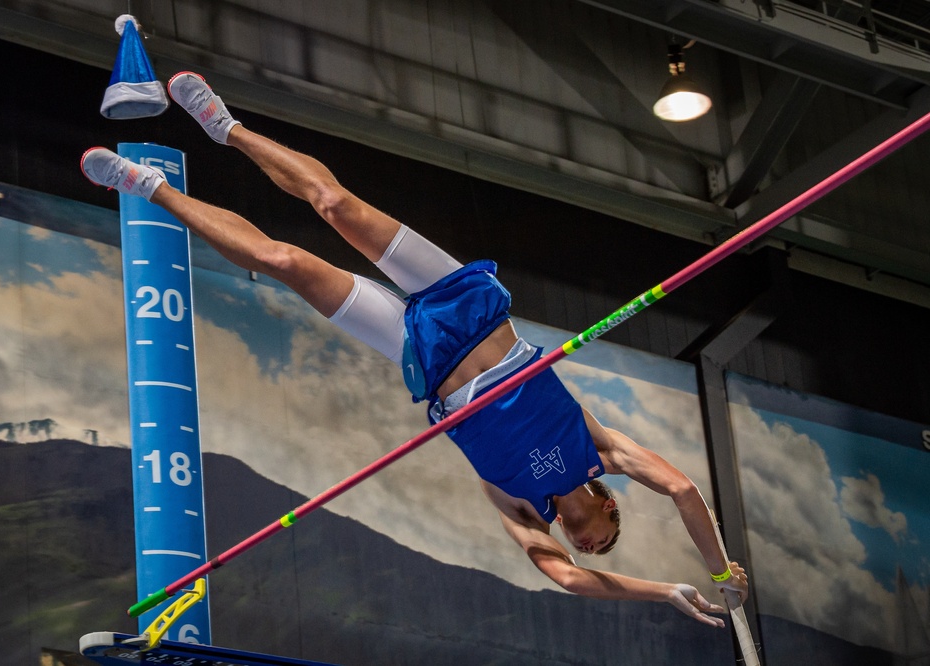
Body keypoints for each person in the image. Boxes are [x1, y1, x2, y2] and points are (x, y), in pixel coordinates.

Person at [81, 71, 749, 627]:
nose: (589, 546)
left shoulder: (517, 506)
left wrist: (669, 591)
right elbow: (685, 489)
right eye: (603, 537)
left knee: (281, 259)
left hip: (419, 355)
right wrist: (719, 569)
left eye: (591, 549)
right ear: (608, 502)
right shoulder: (605, 450)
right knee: (335, 204)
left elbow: (573, 585)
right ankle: (227, 128)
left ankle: (151, 187)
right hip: (468, 306)